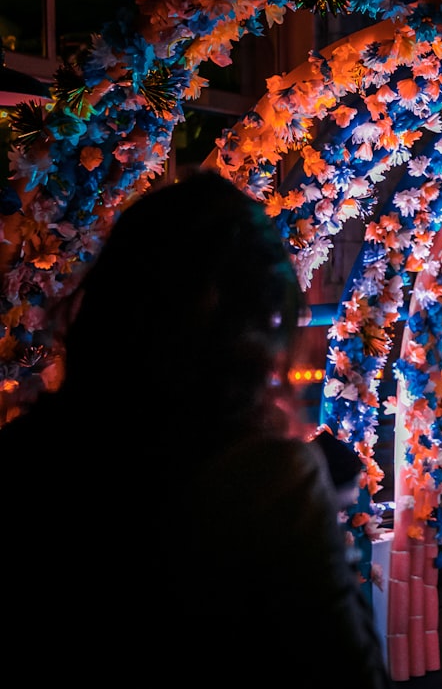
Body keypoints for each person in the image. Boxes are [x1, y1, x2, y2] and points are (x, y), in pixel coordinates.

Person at [0, 170, 391, 687]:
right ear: (251, 328)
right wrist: (327, 504)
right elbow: (344, 667)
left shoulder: (24, 454)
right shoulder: (264, 477)